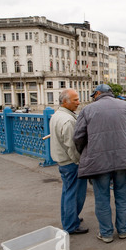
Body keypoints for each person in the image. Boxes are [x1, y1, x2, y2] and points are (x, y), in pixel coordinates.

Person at [73, 84, 126, 243]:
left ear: (98, 93)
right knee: (122, 196)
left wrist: (84, 151)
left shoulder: (88, 110)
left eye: (94, 94)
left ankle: (106, 234)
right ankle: (123, 231)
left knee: (102, 197)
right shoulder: (125, 105)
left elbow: (78, 136)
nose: (93, 97)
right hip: (122, 159)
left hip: (99, 161)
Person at [49, 89, 88, 234]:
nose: (78, 103)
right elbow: (72, 146)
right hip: (71, 163)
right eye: (75, 100)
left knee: (67, 192)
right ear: (65, 102)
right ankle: (71, 225)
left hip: (62, 161)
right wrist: (79, 162)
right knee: (74, 194)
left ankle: (69, 219)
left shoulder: (57, 115)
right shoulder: (68, 120)